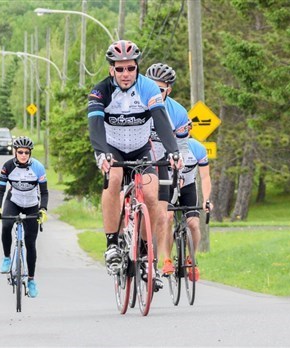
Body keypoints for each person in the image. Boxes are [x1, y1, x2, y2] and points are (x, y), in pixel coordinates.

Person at [87, 40, 182, 290]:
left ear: (137, 67)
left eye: (130, 68)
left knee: (151, 196)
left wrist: (173, 151)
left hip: (141, 148)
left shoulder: (149, 88)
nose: (126, 74)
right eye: (120, 69)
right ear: (112, 70)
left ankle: (142, 251)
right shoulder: (100, 91)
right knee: (115, 180)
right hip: (113, 148)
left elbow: (161, 120)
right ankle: (111, 245)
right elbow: (95, 126)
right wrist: (101, 153)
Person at [144, 63, 191, 276]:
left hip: (162, 161)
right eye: (151, 87)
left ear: (168, 90)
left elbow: (182, 148)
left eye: (160, 89)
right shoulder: (136, 105)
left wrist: (179, 173)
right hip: (139, 159)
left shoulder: (178, 112)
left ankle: (162, 259)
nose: (155, 92)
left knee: (164, 215)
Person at [0, 137, 48, 298]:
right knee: (7, 225)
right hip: (14, 200)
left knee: (30, 243)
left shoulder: (38, 167)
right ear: (15, 152)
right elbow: (0, 190)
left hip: (31, 203)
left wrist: (43, 209)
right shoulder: (8, 166)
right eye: (20, 152)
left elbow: (44, 192)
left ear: (30, 153)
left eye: (26, 152)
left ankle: (31, 280)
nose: (23, 155)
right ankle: (7, 258)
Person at [168, 121, 212, 281]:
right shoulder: (167, 146)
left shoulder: (197, 148)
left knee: (193, 224)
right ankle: (167, 259)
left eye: (186, 130)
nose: (183, 133)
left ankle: (192, 259)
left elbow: (205, 176)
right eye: (180, 130)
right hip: (169, 187)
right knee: (167, 219)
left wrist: (207, 199)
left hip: (188, 187)